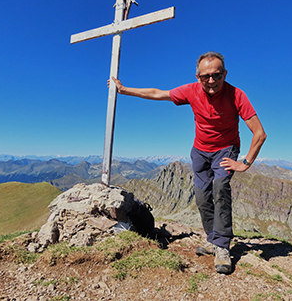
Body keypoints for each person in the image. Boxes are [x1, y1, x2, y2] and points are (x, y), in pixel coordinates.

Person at [110, 51, 266, 274]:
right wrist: (125, 90)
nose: (211, 81)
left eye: (217, 75)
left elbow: (259, 133)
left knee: (220, 188)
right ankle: (213, 240)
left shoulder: (236, 95)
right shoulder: (191, 91)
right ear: (197, 76)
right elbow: (158, 94)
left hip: (226, 149)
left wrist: (245, 162)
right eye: (205, 76)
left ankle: (222, 246)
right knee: (202, 196)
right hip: (200, 151)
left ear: (225, 74)